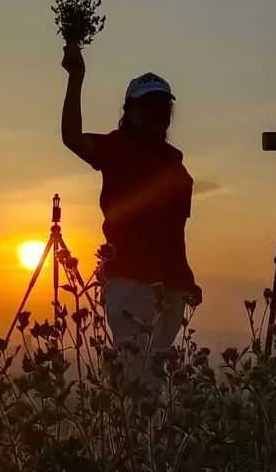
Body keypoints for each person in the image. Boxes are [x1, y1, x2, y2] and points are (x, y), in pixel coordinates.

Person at [59, 43, 201, 365]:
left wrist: (187, 279)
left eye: (163, 105)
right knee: (139, 375)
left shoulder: (174, 163)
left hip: (172, 285)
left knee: (154, 376)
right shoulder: (117, 148)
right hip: (130, 280)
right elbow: (72, 137)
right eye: (148, 105)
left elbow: (173, 233)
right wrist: (76, 78)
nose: (157, 113)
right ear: (130, 112)